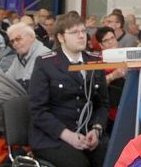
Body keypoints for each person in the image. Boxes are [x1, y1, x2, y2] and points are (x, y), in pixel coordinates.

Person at [28, 12, 108, 167]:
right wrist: (67, 135)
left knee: (113, 158)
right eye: (74, 32)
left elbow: (103, 104)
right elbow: (38, 111)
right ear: (60, 37)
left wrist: (97, 129)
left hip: (88, 133)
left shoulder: (95, 61)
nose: (81, 36)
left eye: (83, 31)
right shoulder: (46, 64)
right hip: (53, 136)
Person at [5, 22, 50, 89]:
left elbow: (30, 85)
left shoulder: (45, 55)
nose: (15, 44)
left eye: (18, 39)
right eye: (12, 41)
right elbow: (7, 79)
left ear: (31, 37)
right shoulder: (19, 57)